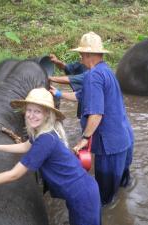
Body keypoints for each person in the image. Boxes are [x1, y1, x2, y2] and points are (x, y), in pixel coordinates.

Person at [0, 88, 101, 225]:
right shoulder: (42, 132)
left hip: (83, 196)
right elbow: (25, 146)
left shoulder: (45, 140)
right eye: (29, 110)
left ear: (47, 114)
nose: (31, 115)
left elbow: (14, 174)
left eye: (37, 111)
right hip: (77, 192)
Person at [50, 32, 134, 205]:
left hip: (109, 146)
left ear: (89, 55)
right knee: (122, 188)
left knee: (104, 199)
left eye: (81, 55)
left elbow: (96, 113)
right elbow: (82, 95)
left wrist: (84, 139)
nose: (80, 59)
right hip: (124, 139)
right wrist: (58, 93)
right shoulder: (107, 71)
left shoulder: (92, 76)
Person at [49, 54, 88, 119]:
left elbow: (71, 79)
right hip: (83, 102)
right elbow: (67, 67)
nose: (80, 56)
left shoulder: (94, 73)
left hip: (90, 108)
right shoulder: (82, 65)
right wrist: (57, 61)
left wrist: (50, 78)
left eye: (82, 54)